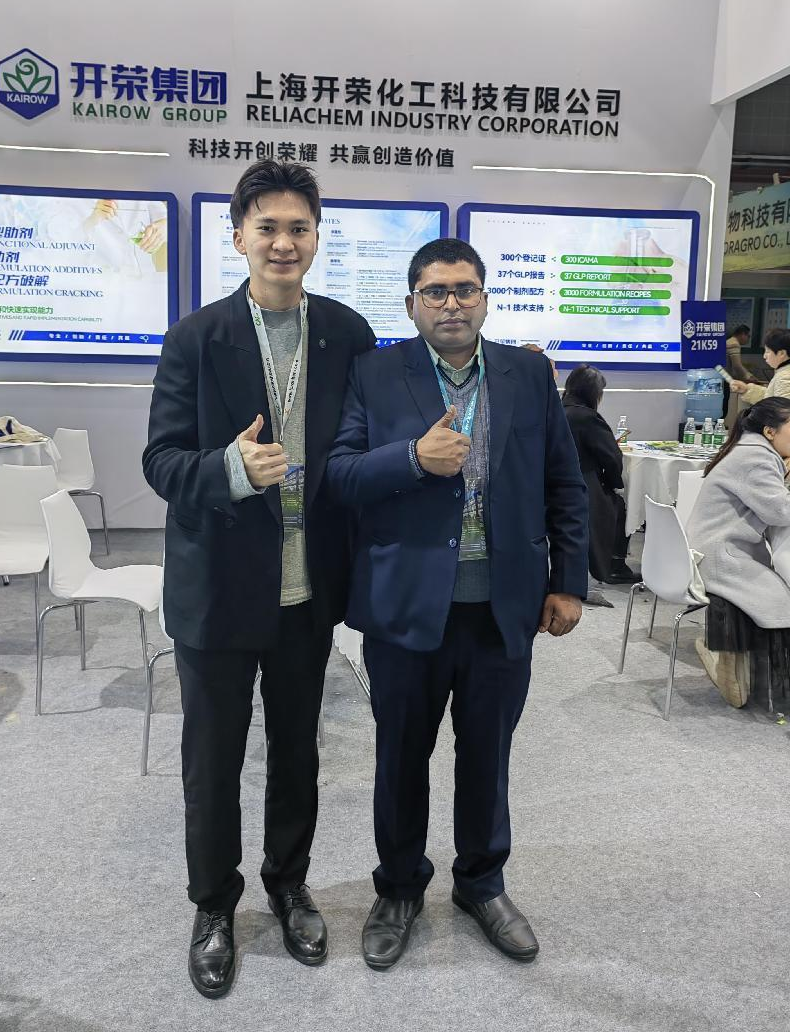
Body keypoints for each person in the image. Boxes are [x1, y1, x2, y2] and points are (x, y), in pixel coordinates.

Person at [142, 161, 376, 999]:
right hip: (218, 589)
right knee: (212, 760)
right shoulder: (197, 337)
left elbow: (362, 448)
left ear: (316, 237)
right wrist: (230, 470)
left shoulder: (348, 332)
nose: (283, 242)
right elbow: (161, 462)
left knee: (297, 752)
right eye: (267, 227)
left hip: (306, 590)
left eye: (298, 228)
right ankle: (214, 905)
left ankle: (287, 883)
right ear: (238, 235)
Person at [326, 237, 588, 970]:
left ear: (484, 298)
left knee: (487, 756)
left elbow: (564, 483)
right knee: (400, 757)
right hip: (408, 610)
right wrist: (413, 458)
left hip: (502, 608)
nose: (451, 303)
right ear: (411, 303)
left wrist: (568, 581)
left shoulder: (527, 374)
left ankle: (482, 883)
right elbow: (339, 474)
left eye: (465, 289)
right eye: (435, 291)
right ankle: (398, 888)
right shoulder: (375, 373)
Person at [686, 398, 790, 706]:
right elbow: (780, 512)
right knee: (782, 601)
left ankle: (735, 664)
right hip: (721, 557)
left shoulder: (750, 450)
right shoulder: (756, 458)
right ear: (770, 431)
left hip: (715, 550)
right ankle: (732, 666)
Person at [561, 365, 641, 586]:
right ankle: (615, 566)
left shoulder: (557, 411)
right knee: (621, 505)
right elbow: (612, 457)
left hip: (554, 486)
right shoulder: (588, 417)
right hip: (582, 486)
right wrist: (614, 483)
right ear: (593, 392)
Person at [730, 327, 790, 405]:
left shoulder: (784, 377)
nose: (764, 356)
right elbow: (771, 397)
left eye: (768, 351)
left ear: (782, 353)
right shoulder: (784, 373)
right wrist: (746, 389)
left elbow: (782, 409)